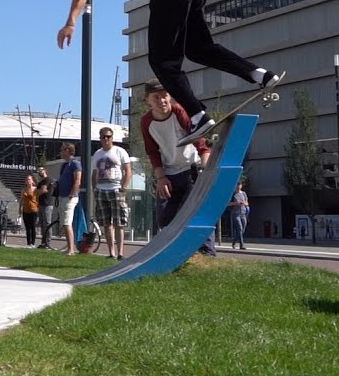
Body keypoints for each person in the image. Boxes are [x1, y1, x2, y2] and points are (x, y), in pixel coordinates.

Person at [54, 0, 280, 146]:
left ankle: (197, 115)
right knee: (199, 48)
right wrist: (70, 22)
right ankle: (260, 75)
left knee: (162, 61)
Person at [140, 79, 217, 255]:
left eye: (165, 96)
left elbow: (201, 141)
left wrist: (205, 167)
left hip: (192, 168)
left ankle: (206, 254)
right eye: (156, 97)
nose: (162, 101)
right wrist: (160, 177)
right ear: (148, 100)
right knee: (165, 217)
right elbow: (152, 151)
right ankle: (172, 253)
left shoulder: (180, 112)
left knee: (196, 212)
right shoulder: (146, 122)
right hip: (169, 173)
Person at [91, 126, 132, 260]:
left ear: (112, 138)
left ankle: (120, 253)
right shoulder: (97, 154)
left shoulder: (120, 151)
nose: (106, 139)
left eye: (108, 136)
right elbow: (94, 173)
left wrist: (123, 188)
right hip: (101, 190)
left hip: (115, 189)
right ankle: (111, 252)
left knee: (119, 223)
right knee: (106, 224)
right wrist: (94, 188)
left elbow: (128, 170)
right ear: (100, 138)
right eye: (103, 137)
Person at [55, 142, 83, 256]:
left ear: (68, 151)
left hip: (69, 197)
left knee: (67, 222)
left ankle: (71, 249)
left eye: (62, 150)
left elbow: (77, 180)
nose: (60, 152)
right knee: (65, 222)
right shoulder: (64, 165)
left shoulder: (75, 164)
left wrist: (72, 193)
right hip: (62, 196)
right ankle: (69, 247)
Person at [35, 165, 55, 249]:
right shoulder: (40, 183)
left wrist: (42, 190)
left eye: (41, 170)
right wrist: (42, 190)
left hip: (47, 204)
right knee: (42, 224)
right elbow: (36, 192)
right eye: (38, 171)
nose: (40, 172)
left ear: (45, 170)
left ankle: (48, 242)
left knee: (47, 223)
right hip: (41, 204)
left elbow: (42, 191)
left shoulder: (48, 179)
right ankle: (43, 242)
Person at [228, 181, 249, 250]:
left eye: (239, 185)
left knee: (243, 229)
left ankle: (234, 241)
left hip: (243, 213)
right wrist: (236, 203)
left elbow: (247, 203)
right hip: (235, 213)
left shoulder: (244, 193)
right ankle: (241, 245)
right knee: (239, 228)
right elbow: (228, 203)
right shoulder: (233, 194)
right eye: (237, 185)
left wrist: (244, 203)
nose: (238, 186)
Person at [20, 174, 40, 248]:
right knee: (27, 227)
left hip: (33, 210)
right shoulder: (23, 190)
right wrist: (20, 209)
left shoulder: (35, 189)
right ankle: (28, 243)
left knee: (33, 226)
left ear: (32, 181)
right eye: (27, 179)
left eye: (29, 179)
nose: (28, 181)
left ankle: (33, 243)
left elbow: (38, 199)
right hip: (25, 210)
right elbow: (21, 200)